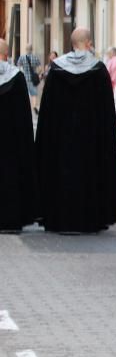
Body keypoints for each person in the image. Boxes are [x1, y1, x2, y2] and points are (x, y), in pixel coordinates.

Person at [35, 28, 116, 234]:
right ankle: (90, 219)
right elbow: (106, 110)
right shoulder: (98, 70)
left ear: (71, 42)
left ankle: (60, 218)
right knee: (89, 172)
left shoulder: (57, 69)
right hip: (91, 136)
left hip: (61, 135)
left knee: (62, 173)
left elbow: (47, 110)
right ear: (89, 43)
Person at [0, 40, 38, 232]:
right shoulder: (17, 77)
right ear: (7, 54)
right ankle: (10, 219)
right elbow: (24, 115)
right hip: (11, 139)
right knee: (10, 176)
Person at [15, 44, 41, 113]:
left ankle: (25, 107)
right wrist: (37, 73)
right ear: (32, 49)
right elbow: (40, 68)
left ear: (26, 49)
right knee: (34, 94)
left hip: (24, 78)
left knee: (25, 94)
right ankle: (34, 106)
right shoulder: (35, 57)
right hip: (33, 79)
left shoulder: (22, 57)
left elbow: (18, 67)